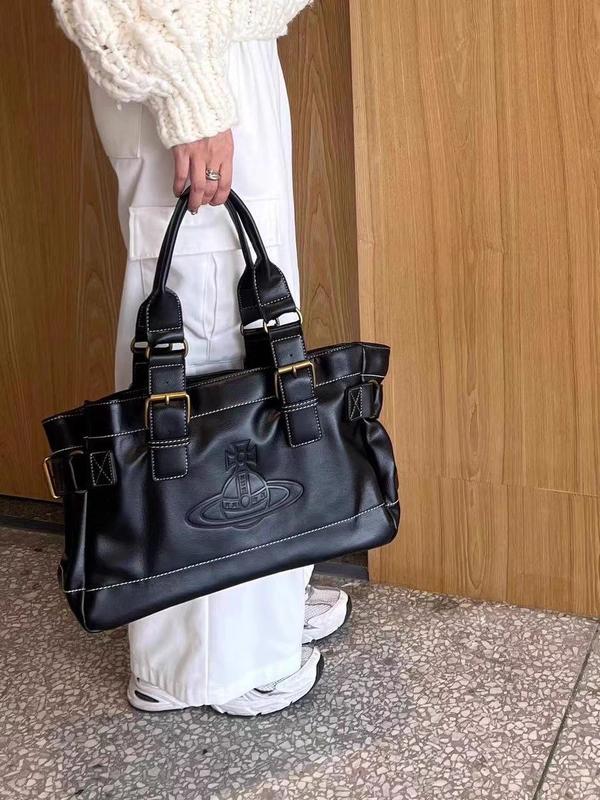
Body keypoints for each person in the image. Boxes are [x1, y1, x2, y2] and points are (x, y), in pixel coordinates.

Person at [51, 0, 351, 716]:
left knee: (239, 323)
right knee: (207, 336)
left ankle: (264, 594)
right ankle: (214, 664)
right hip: (184, 51)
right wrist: (190, 96)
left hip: (215, 43)